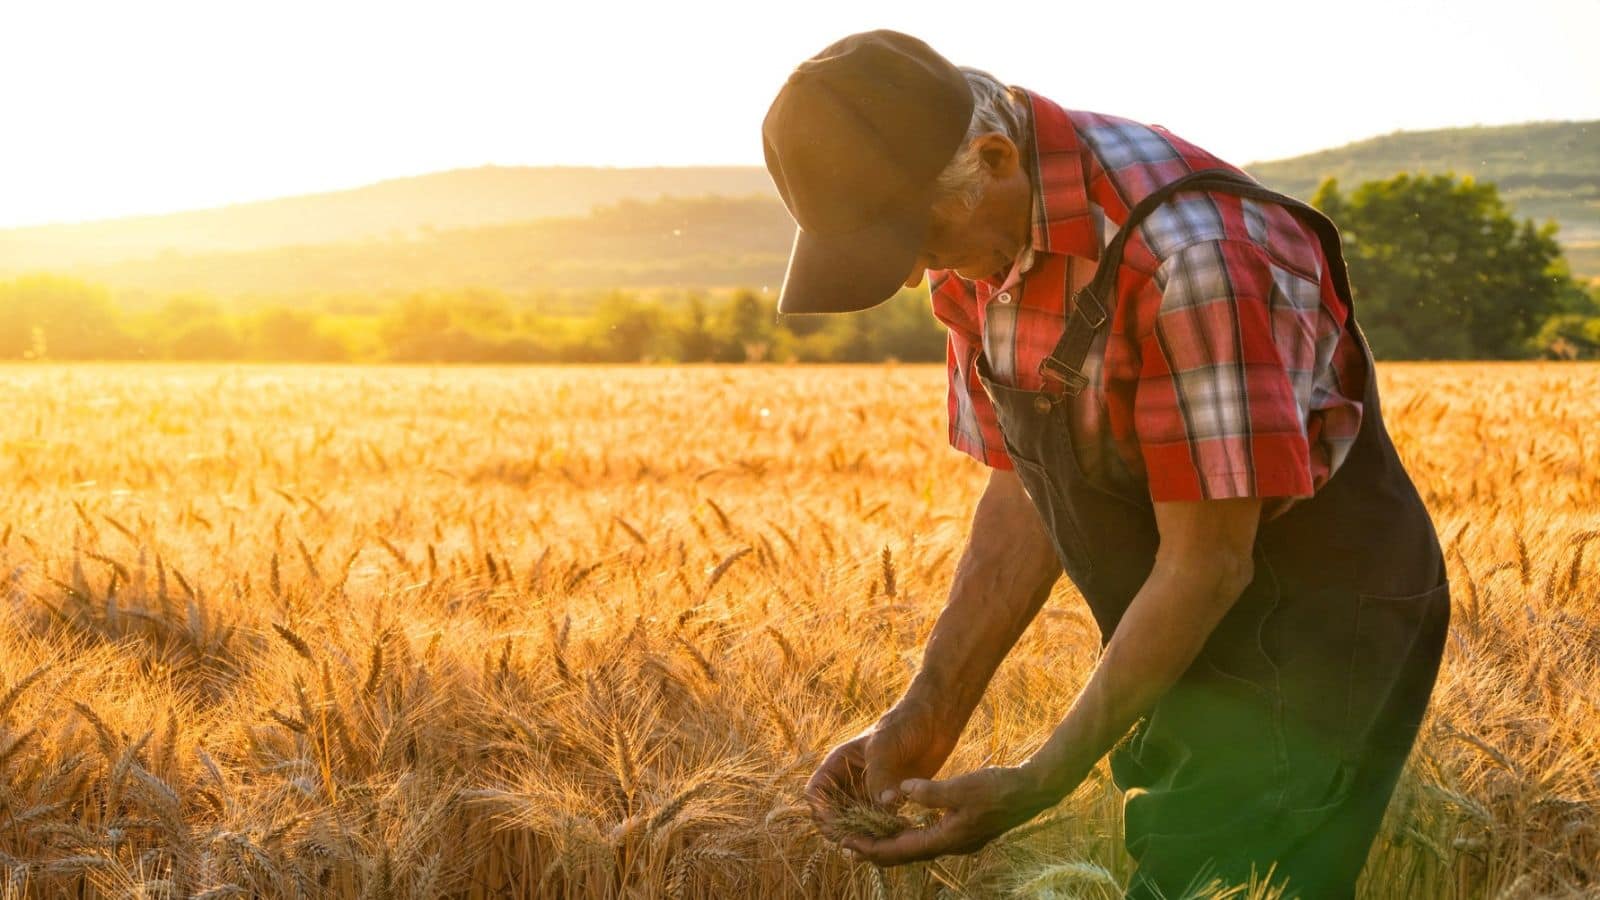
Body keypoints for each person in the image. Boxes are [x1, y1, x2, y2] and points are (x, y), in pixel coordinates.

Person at [761, 30, 1452, 900]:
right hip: (1173, 612)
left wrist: (1041, 780)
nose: (909, 276)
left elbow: (1207, 563)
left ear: (994, 156)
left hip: (1306, 622)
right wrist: (923, 720)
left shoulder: (1192, 259)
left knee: (1205, 879)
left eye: (917, 237)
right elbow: (1022, 494)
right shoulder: (977, 231)